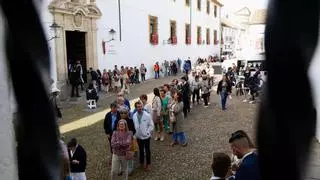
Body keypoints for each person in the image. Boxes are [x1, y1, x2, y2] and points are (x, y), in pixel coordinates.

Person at [132, 101, 154, 171]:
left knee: (147, 150)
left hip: (146, 136)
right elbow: (134, 126)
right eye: (138, 107)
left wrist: (147, 132)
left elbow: (151, 126)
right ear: (136, 108)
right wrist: (135, 135)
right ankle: (141, 163)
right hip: (139, 136)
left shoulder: (147, 115)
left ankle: (148, 164)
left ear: (142, 106)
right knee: (141, 150)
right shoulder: (134, 115)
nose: (140, 108)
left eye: (141, 106)